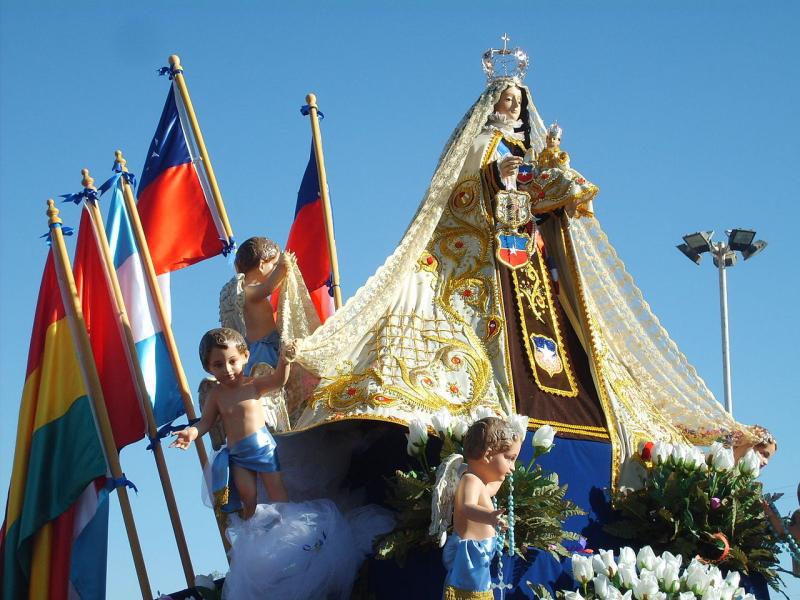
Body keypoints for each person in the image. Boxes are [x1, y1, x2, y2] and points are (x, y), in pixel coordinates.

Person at [171, 327, 291, 517]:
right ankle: (251, 529)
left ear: (245, 356)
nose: (227, 369)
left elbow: (278, 381)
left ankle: (286, 524)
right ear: (208, 368)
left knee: (276, 491)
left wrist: (285, 361)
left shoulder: (253, 384)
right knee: (247, 496)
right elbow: (205, 422)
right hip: (238, 455)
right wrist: (191, 433)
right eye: (218, 365)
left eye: (232, 361)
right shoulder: (216, 395)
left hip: (263, 449)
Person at [441, 417, 521, 599]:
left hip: (479, 553)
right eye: (510, 459)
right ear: (488, 454)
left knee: (479, 592)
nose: (513, 467)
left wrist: (502, 474)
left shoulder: (479, 482)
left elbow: (491, 490)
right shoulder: (470, 480)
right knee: (471, 593)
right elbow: (467, 507)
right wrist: (489, 516)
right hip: (471, 555)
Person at [230, 236, 289, 375]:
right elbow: (269, 287)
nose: (275, 268)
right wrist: (283, 266)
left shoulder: (246, 291)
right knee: (270, 379)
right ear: (262, 265)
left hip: (265, 346)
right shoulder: (247, 291)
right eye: (273, 265)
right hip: (263, 350)